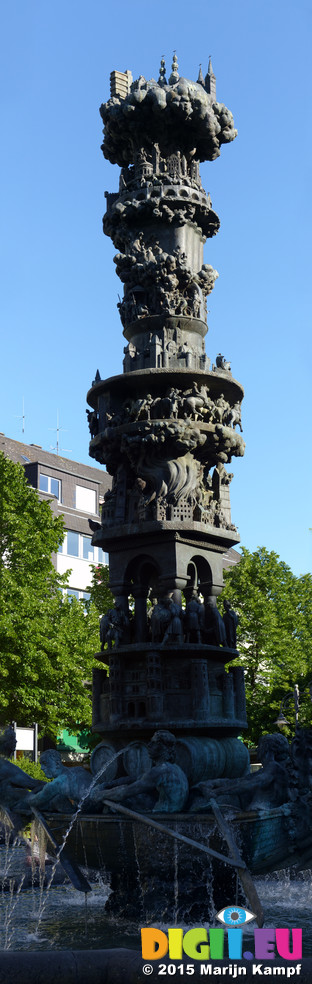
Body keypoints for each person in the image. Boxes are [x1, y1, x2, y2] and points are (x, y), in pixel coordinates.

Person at [91, 730, 189, 814]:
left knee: (124, 798)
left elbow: (124, 793)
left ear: (163, 748)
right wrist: (109, 784)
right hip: (174, 812)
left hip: (163, 815)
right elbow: (136, 778)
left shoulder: (160, 771)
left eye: (153, 743)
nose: (149, 745)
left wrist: (101, 794)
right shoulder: (174, 769)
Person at [28, 750, 92, 814]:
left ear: (57, 764)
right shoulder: (79, 769)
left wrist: (27, 795)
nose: (42, 768)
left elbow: (34, 801)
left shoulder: (57, 783)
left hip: (88, 811)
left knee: (57, 799)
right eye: (41, 764)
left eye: (45, 763)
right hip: (99, 805)